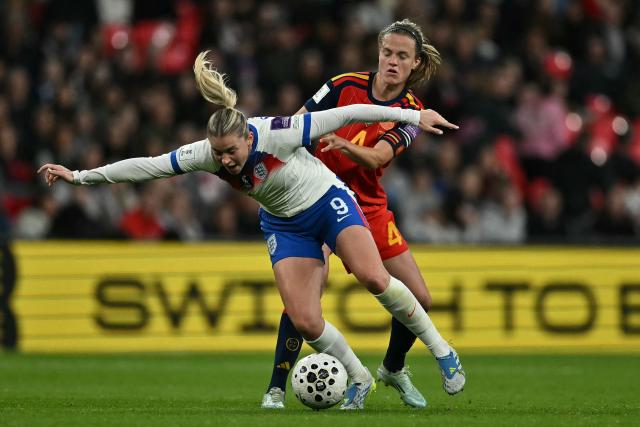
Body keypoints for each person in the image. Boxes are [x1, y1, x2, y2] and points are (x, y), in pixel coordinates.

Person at [38, 50, 458, 410]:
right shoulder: (204, 153)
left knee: (372, 277)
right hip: (283, 222)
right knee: (306, 321)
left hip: (327, 202)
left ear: (247, 136)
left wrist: (414, 115)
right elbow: (147, 166)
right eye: (218, 154)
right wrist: (80, 176)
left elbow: (349, 112)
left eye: (231, 152)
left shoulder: (279, 132)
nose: (225, 161)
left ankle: (442, 352)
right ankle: (359, 377)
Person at [262, 19, 465, 410]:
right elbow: (296, 123)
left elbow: (377, 157)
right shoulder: (341, 84)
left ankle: (392, 367)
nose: (391, 61)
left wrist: (340, 142)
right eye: (387, 52)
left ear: (414, 63)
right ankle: (274, 388)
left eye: (401, 56)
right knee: (305, 301)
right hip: (315, 197)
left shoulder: (411, 112)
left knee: (420, 298)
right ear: (378, 52)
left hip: (366, 206)